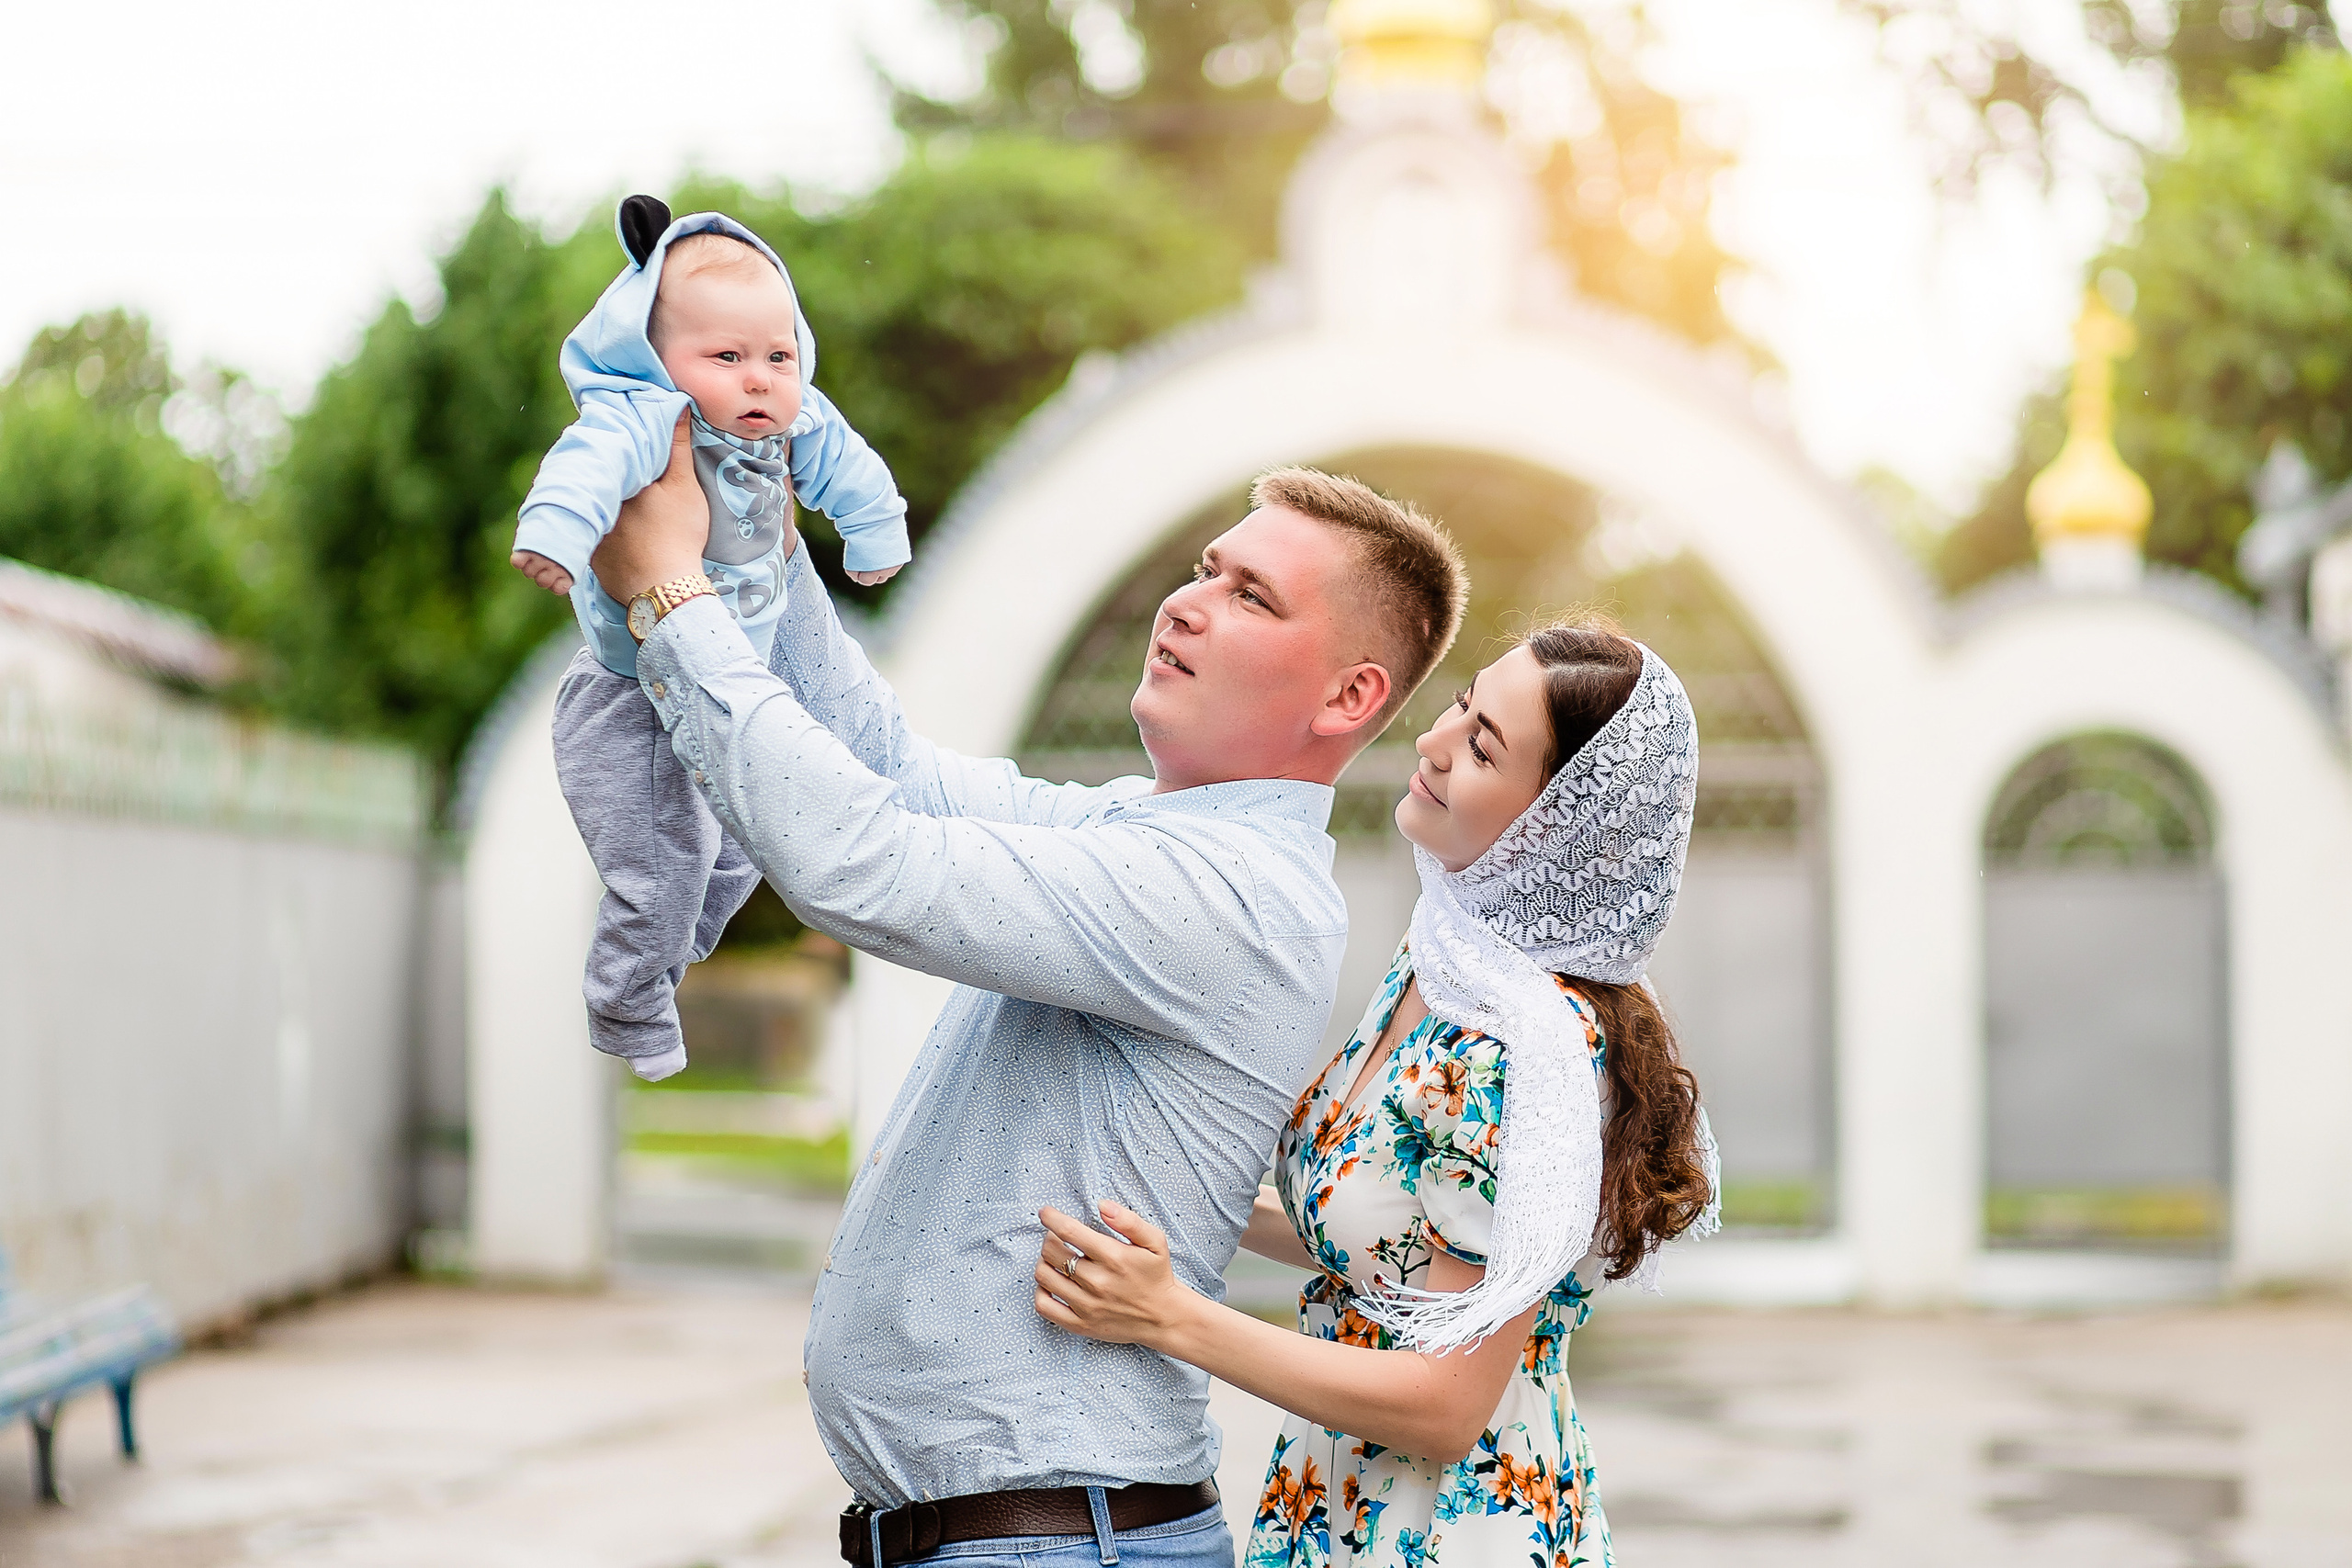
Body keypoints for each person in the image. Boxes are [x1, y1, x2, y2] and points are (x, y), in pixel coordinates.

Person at [585, 438, 1470, 1568]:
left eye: (1250, 596)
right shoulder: (1137, 830)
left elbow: (864, 866)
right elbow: (888, 768)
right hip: (1031, 1539)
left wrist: (669, 594)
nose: (1188, 605)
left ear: (1350, 696)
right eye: (1205, 568)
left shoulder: (1230, 894)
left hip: (1056, 1542)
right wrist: (746, 498)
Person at [1032, 619, 1721, 1568]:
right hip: (1345, 1503)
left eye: (1482, 747)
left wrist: (1170, 1317)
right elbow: (1384, 1244)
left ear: (1556, 823)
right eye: (1460, 707)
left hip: (1455, 1532)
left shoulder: (1521, 1052)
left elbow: (1444, 1406)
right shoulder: (1436, 964)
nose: (1432, 744)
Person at [513, 195, 911, 1081]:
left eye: (778, 354)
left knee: (747, 843)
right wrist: (554, 534)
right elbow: (581, 467)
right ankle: (626, 999)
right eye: (726, 357)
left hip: (732, 682)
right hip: (632, 696)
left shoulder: (796, 421)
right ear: (658, 361)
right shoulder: (645, 417)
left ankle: (675, 936)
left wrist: (875, 535)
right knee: (660, 867)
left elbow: (853, 470)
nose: (760, 377)